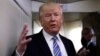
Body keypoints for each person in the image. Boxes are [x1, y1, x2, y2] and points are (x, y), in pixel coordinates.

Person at [12, 2, 76, 56]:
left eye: (56, 15)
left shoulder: (69, 43)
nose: (53, 19)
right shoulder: (28, 43)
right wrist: (19, 52)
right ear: (41, 21)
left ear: (62, 19)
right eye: (48, 15)